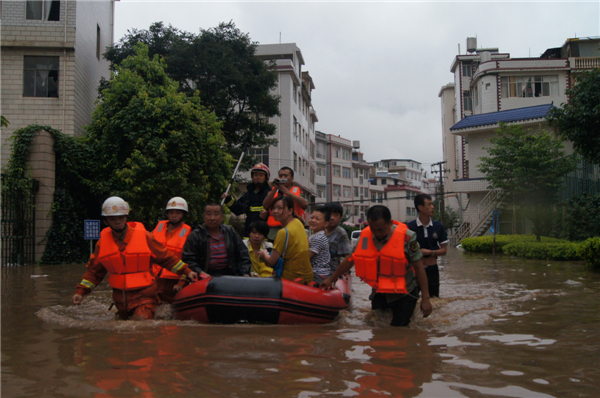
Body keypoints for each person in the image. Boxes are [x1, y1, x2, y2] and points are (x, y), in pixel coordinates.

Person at [72, 196, 199, 320]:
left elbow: (165, 257)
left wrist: (187, 272)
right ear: (105, 221)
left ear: (126, 217)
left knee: (141, 324)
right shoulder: (102, 243)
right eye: (113, 219)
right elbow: (95, 271)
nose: (117, 222)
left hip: (144, 296)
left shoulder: (144, 236)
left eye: (121, 218)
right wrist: (81, 292)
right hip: (120, 299)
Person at [320, 205, 432, 327]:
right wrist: (331, 279)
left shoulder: (407, 238)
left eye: (381, 229)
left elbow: (419, 268)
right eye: (373, 229)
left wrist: (426, 298)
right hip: (379, 293)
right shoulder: (365, 237)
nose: (377, 233)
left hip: (405, 293)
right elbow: (350, 260)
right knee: (377, 329)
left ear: (390, 223)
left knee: (399, 330)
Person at [182, 202, 251, 277]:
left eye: (216, 214)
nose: (212, 218)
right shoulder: (196, 235)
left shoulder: (230, 232)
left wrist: (245, 273)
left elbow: (243, 254)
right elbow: (188, 258)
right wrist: (200, 272)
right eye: (209, 214)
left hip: (230, 274)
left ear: (221, 217)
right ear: (204, 216)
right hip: (205, 275)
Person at [259, 196, 313, 284]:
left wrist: (264, 254)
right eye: (273, 208)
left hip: (292, 279)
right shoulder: (298, 222)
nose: (275, 211)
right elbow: (307, 243)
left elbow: (271, 261)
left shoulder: (283, 232)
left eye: (280, 208)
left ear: (290, 211)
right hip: (308, 277)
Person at [406, 194, 448, 298]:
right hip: (414, 270)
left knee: (434, 300)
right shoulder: (410, 227)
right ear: (420, 207)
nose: (432, 207)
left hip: (432, 269)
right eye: (429, 204)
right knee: (412, 299)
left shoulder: (438, 226)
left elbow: (444, 250)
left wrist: (430, 252)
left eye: (432, 204)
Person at [151, 197, 192, 303]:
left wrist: (181, 283)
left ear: (183, 214)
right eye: (171, 212)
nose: (174, 216)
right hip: (154, 278)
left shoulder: (188, 234)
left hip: (172, 282)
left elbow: (189, 262)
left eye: (178, 213)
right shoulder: (158, 227)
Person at [222, 163, 271, 238]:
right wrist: (228, 199)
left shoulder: (270, 193)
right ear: (252, 177)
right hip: (249, 232)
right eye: (255, 175)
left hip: (265, 234)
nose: (258, 177)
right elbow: (238, 210)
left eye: (261, 175)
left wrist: (268, 213)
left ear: (266, 177)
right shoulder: (248, 194)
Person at [263, 167, 308, 240]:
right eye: (281, 176)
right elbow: (265, 205)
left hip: (293, 227)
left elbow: (305, 204)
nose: (283, 178)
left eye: (286, 176)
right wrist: (275, 188)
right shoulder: (273, 191)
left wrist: (288, 193)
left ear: (292, 178)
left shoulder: (297, 191)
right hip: (274, 230)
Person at [324, 202, 353, 277]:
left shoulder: (341, 233)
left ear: (340, 217)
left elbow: (348, 257)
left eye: (336, 215)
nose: (332, 218)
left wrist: (345, 271)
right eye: (329, 214)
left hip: (332, 272)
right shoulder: (320, 229)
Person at [307, 206, 331, 284]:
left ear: (326, 224)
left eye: (317, 219)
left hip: (318, 275)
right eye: (312, 217)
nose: (313, 220)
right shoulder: (314, 236)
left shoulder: (319, 238)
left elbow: (306, 257)